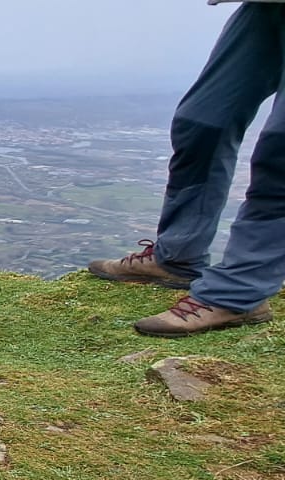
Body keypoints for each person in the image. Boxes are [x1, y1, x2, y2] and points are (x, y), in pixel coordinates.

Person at [87, 1, 283, 337]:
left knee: (280, 151)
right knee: (202, 123)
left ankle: (238, 294)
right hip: (266, 8)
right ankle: (177, 257)